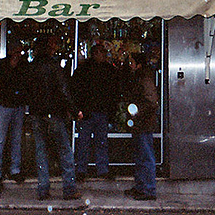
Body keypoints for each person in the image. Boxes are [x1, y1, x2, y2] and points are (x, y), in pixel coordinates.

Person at [27, 35, 83, 200]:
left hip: (37, 113)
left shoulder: (33, 67)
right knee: (64, 150)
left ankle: (43, 188)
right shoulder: (54, 66)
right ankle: (69, 188)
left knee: (41, 151)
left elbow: (27, 90)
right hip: (53, 113)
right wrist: (74, 111)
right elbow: (63, 91)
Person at [72, 43, 120, 181]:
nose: (104, 55)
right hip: (96, 110)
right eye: (102, 52)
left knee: (86, 141)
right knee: (98, 141)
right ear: (95, 54)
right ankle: (100, 168)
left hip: (91, 110)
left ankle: (83, 169)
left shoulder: (83, 69)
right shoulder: (107, 70)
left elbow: (76, 89)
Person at [0, 43, 29, 192]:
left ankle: (9, 171)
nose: (18, 53)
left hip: (13, 105)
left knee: (11, 139)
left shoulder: (19, 65)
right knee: (3, 139)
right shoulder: (4, 65)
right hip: (7, 104)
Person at [123, 51, 159, 201]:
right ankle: (141, 186)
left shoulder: (144, 78)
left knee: (145, 156)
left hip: (143, 123)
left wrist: (136, 112)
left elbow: (151, 102)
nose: (130, 64)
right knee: (140, 156)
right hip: (141, 124)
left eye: (132, 62)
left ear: (139, 64)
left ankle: (148, 189)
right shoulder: (140, 77)